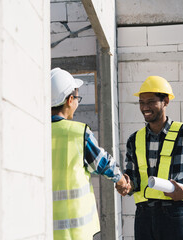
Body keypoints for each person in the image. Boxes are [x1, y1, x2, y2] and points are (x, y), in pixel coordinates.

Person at [116, 76, 183, 240]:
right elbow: (132, 178)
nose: (145, 107)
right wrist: (126, 186)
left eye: (151, 102)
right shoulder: (134, 140)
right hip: (143, 216)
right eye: (141, 102)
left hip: (174, 214)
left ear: (166, 101)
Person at [51, 68, 129, 240]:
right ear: (70, 100)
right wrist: (121, 180)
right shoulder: (78, 133)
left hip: (43, 229)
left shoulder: (34, 130)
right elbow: (102, 164)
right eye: (77, 99)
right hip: (75, 232)